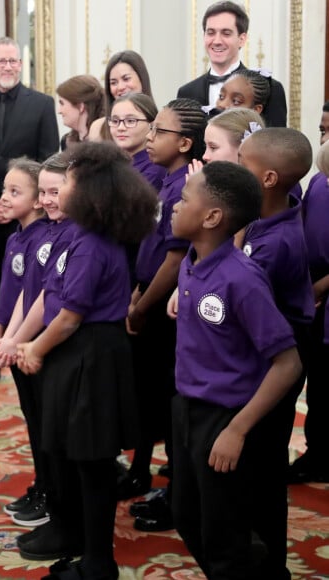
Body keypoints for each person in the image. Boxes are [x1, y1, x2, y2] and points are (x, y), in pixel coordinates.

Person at [16, 141, 158, 579]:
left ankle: (99, 563)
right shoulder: (76, 233)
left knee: (93, 464)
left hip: (92, 356)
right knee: (76, 457)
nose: (58, 192)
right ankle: (79, 541)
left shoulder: (93, 244)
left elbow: (72, 316)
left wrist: (35, 350)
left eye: (68, 183)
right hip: (76, 355)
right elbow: (53, 298)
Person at [169, 160, 302, 580]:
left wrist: (238, 429)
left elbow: (288, 363)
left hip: (225, 418)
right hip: (187, 408)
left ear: (212, 217)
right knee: (187, 516)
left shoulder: (241, 279)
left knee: (224, 536)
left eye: (185, 198)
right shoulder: (191, 261)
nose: (174, 203)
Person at [124, 99, 207, 530]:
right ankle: (167, 488)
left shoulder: (182, 188)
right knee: (154, 397)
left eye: (159, 132)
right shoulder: (166, 179)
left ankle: (178, 498)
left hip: (164, 308)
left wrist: (141, 306)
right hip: (149, 295)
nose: (150, 138)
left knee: (170, 402)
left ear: (185, 143)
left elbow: (174, 259)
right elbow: (152, 244)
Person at [237, 127, 314, 579]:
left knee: (264, 469)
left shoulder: (278, 240)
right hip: (261, 353)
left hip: (279, 360)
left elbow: (235, 284)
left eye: (241, 162)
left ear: (266, 179)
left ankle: (270, 569)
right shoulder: (263, 219)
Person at [0, 153, 77, 531]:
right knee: (32, 418)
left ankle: (52, 492)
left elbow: (42, 295)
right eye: (4, 189)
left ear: (39, 200)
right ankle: (43, 485)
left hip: (37, 342)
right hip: (17, 339)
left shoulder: (46, 238)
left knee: (46, 424)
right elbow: (12, 294)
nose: (5, 197)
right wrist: (0, 335)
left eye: (15, 191)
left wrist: (16, 340)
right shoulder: (16, 237)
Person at [0, 37, 59, 308]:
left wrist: (20, 204)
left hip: (28, 217)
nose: (7, 66)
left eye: (13, 60)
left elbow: (48, 161)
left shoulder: (43, 104)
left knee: (24, 288)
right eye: (1, 61)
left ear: (21, 65)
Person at [291, 113, 329, 484]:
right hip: (313, 295)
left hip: (323, 291)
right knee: (318, 381)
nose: (325, 138)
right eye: (323, 130)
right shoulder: (318, 181)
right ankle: (318, 452)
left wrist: (321, 286)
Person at [177, 0, 287, 127]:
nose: (217, 41)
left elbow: (275, 143)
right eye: (211, 32)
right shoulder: (186, 92)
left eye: (226, 33)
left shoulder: (272, 89)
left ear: (242, 39)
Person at [89, 50, 153, 142]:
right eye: (113, 82)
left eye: (126, 79)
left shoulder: (160, 124)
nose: (120, 87)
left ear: (141, 78)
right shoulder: (98, 128)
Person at [108, 92, 166, 191]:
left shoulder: (154, 168)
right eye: (115, 121)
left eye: (130, 121)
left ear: (152, 124)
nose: (120, 128)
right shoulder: (114, 162)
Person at [56, 74, 104, 149]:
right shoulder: (66, 141)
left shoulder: (106, 142)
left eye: (62, 104)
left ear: (81, 107)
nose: (59, 111)